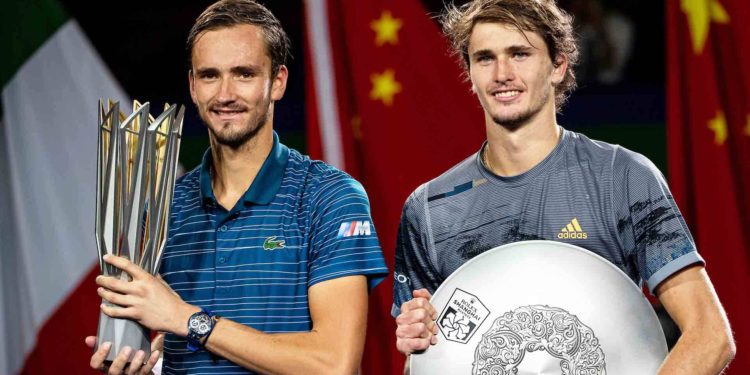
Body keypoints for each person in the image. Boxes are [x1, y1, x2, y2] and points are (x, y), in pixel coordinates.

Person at [392, 0, 735, 373]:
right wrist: (417, 345)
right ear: (470, 72)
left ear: (558, 66)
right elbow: (424, 362)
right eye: (485, 58)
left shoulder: (622, 176)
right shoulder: (429, 208)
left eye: (520, 54)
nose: (502, 73)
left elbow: (710, 335)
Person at [86, 1, 388, 374]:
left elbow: (332, 363)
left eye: (243, 74)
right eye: (210, 75)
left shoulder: (330, 197)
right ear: (193, 86)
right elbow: (176, 343)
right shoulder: (167, 204)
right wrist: (149, 363)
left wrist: (187, 319)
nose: (225, 94)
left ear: (277, 82)